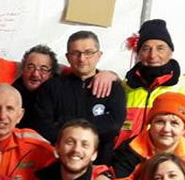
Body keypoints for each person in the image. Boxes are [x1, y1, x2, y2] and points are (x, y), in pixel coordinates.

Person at [27, 30, 125, 165]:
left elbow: (113, 126)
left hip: (99, 167)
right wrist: (94, 124)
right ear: (68, 57)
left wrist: (63, 122)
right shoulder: (51, 87)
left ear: (99, 55)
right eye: (76, 53)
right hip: (56, 164)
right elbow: (43, 127)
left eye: (88, 52)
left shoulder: (113, 87)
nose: (82, 58)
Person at [117, 19, 185, 146]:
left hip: (168, 158)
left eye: (160, 48)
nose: (152, 55)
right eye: (146, 48)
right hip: (123, 157)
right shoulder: (123, 88)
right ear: (138, 53)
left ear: (170, 52)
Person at [110, 92, 185, 180]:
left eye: (174, 123)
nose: (166, 129)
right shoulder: (129, 150)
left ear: (184, 130)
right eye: (160, 121)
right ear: (150, 125)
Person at [13, 45, 59, 129]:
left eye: (43, 69)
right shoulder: (13, 94)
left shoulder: (60, 94)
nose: (35, 74)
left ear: (51, 74)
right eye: (30, 67)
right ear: (23, 69)